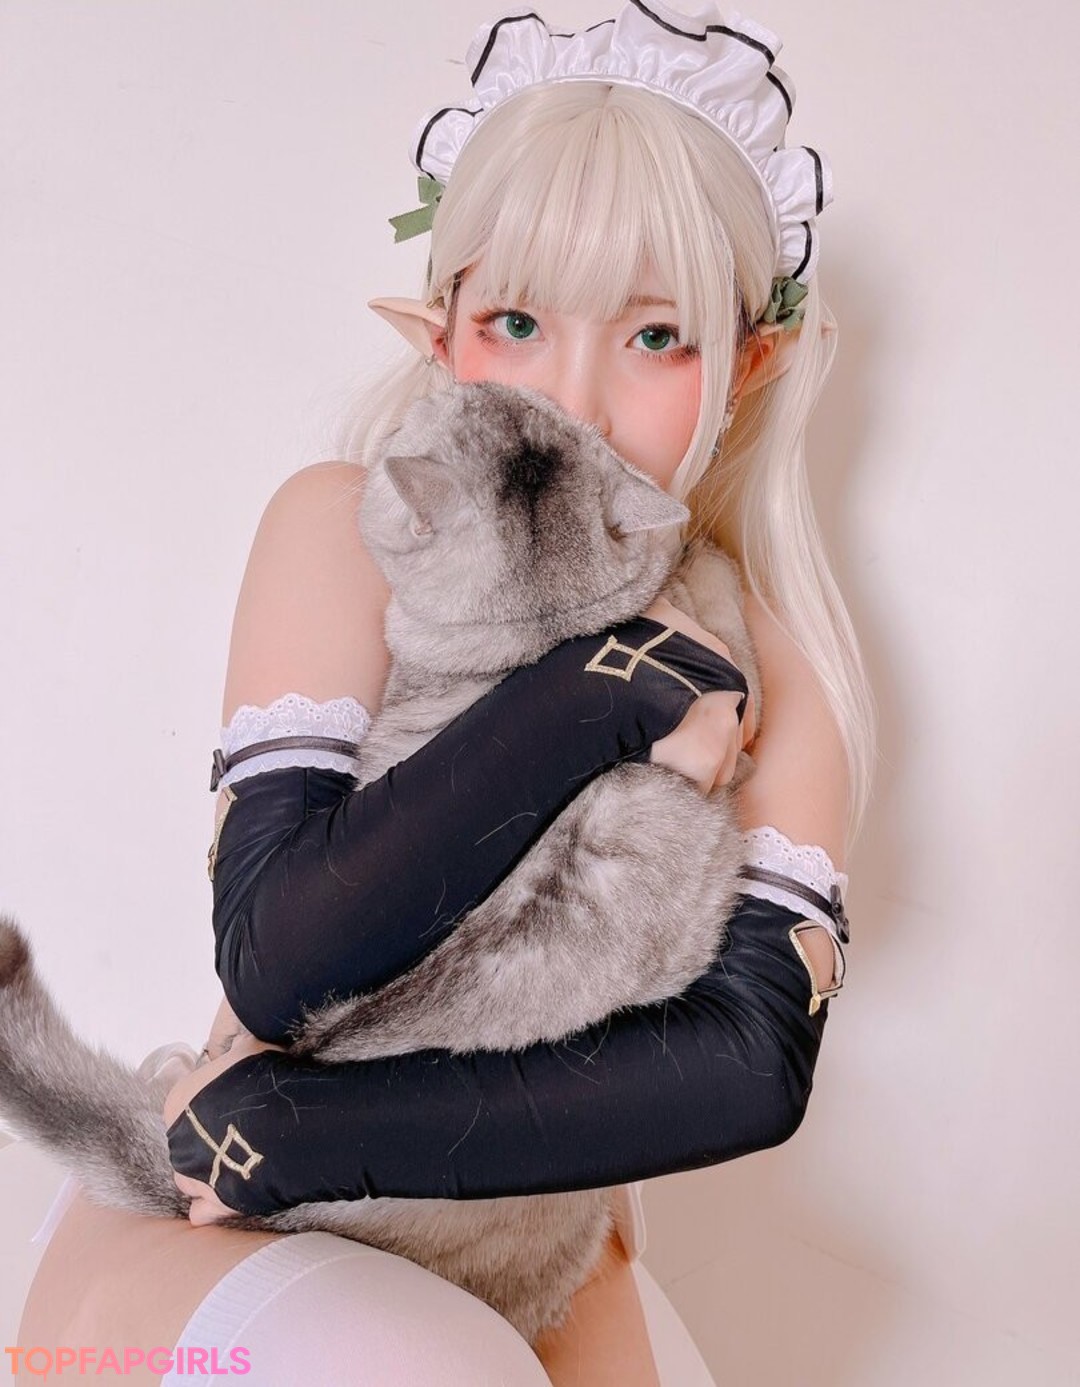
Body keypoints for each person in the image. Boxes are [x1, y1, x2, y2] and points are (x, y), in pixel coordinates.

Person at [20, 4, 872, 1383]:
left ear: (748, 360)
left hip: (496, 1235)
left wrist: (300, 1131)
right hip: (233, 1225)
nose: (575, 402)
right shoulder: (349, 529)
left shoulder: (784, 665)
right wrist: (599, 696)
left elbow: (745, 1067)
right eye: (518, 322)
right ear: (441, 332)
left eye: (657, 336)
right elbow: (280, 956)